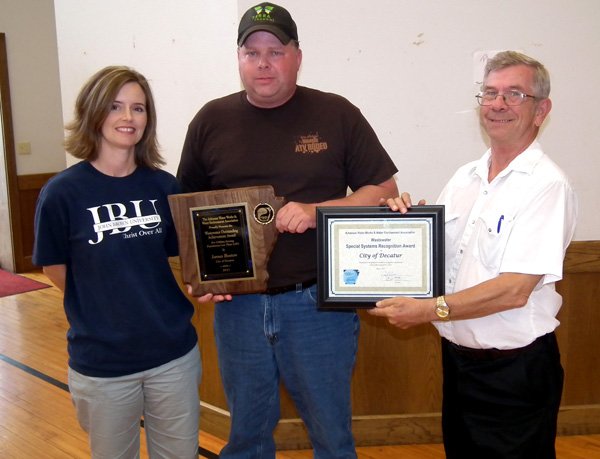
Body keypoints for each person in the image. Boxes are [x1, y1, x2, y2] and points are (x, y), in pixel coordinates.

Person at [176, 3, 398, 458]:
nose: (262, 63)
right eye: (251, 51)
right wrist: (203, 277)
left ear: (297, 55)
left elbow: (383, 189)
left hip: (318, 305)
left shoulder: (337, 113)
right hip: (239, 309)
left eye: (275, 51)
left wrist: (319, 210)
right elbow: (190, 213)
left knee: (332, 436)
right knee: (246, 438)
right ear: (238, 58)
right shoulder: (210, 121)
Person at [369, 51, 578, 458]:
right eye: (490, 93)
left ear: (541, 110)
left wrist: (429, 311)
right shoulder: (465, 177)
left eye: (514, 94)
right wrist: (404, 224)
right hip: (459, 365)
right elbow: (440, 258)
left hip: (515, 372)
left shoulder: (547, 186)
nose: (498, 104)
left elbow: (514, 291)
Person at [33, 66, 201, 458]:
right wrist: (102, 303)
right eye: (116, 106)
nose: (128, 118)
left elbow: (181, 259)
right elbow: (54, 268)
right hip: (103, 363)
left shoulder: (163, 186)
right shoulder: (62, 193)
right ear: (94, 113)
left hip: (173, 355)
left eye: (138, 108)